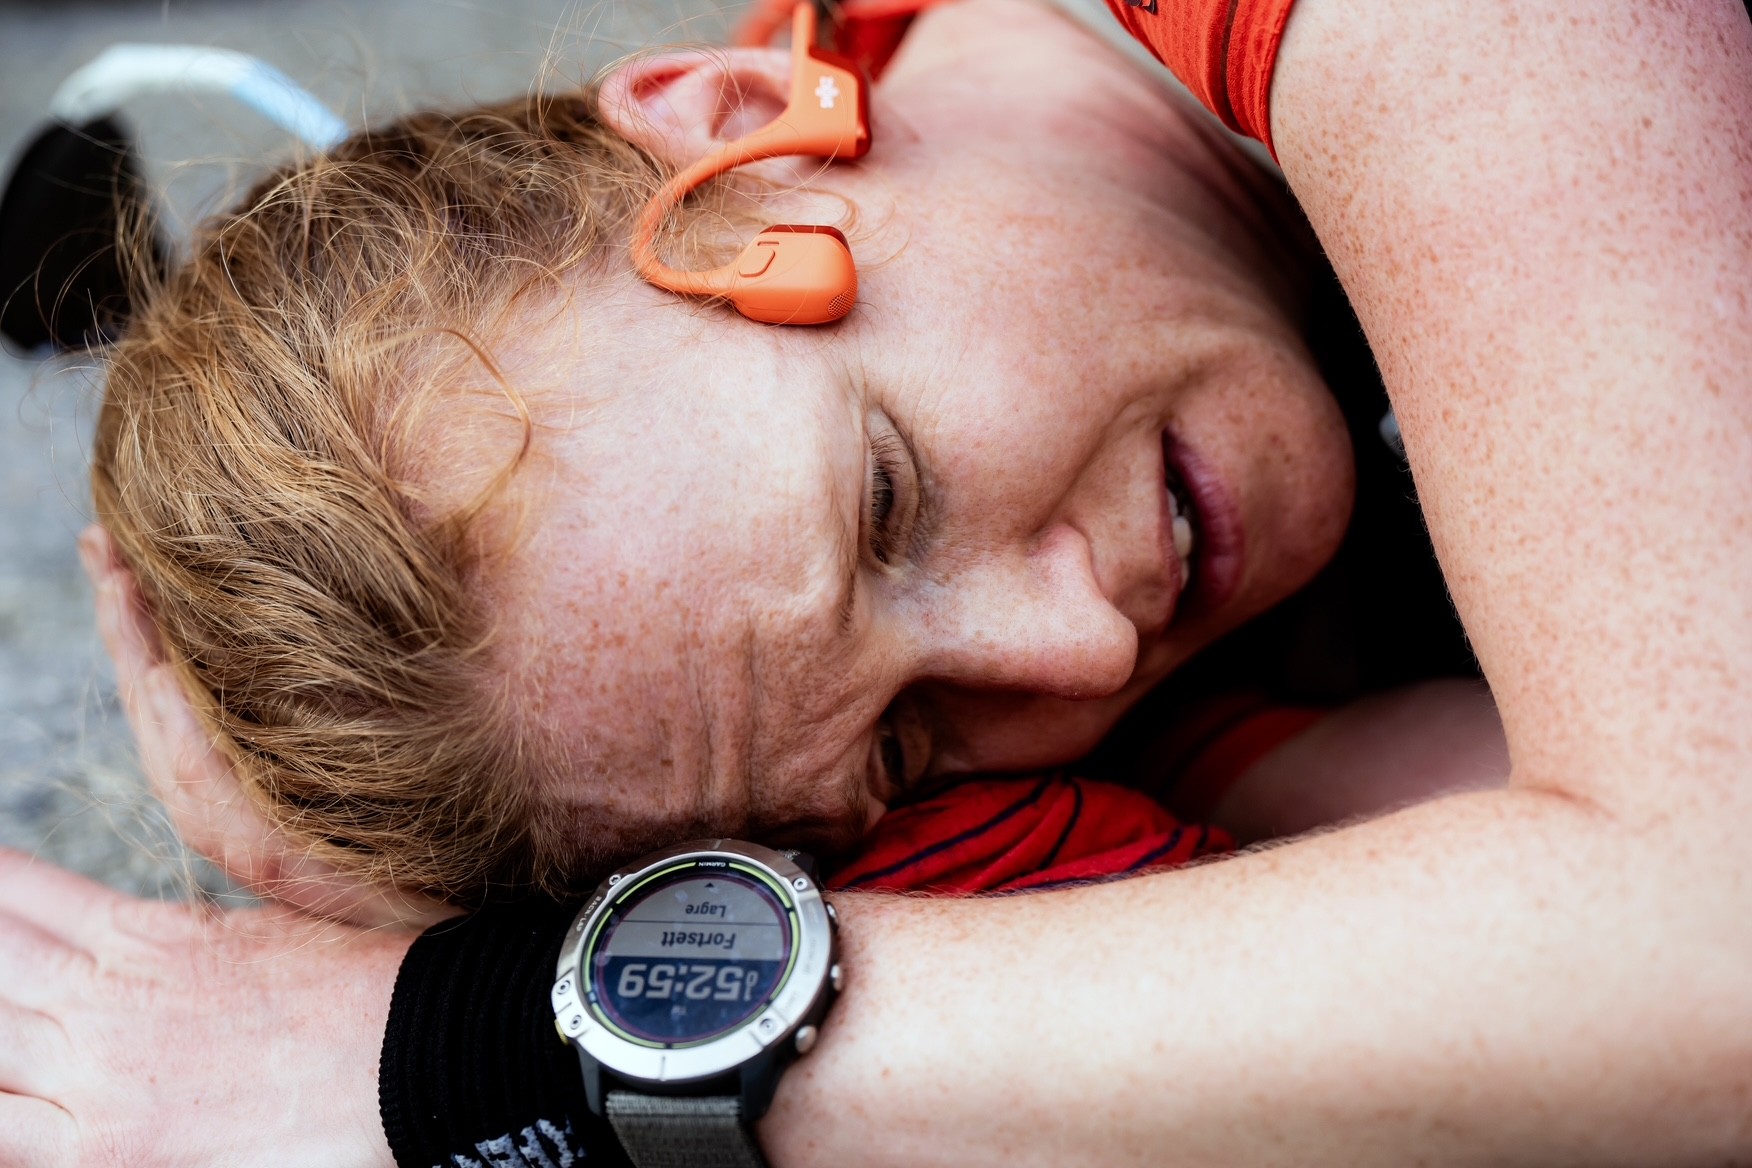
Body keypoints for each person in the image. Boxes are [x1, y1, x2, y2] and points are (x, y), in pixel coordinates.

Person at [3, 0, 1750, 1163]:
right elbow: (1534, 940)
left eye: (889, 500)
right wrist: (405, 890)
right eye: (910, 749)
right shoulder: (870, 610)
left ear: (749, 126)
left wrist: (561, 1036)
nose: (1075, 651)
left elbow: (1699, 949)